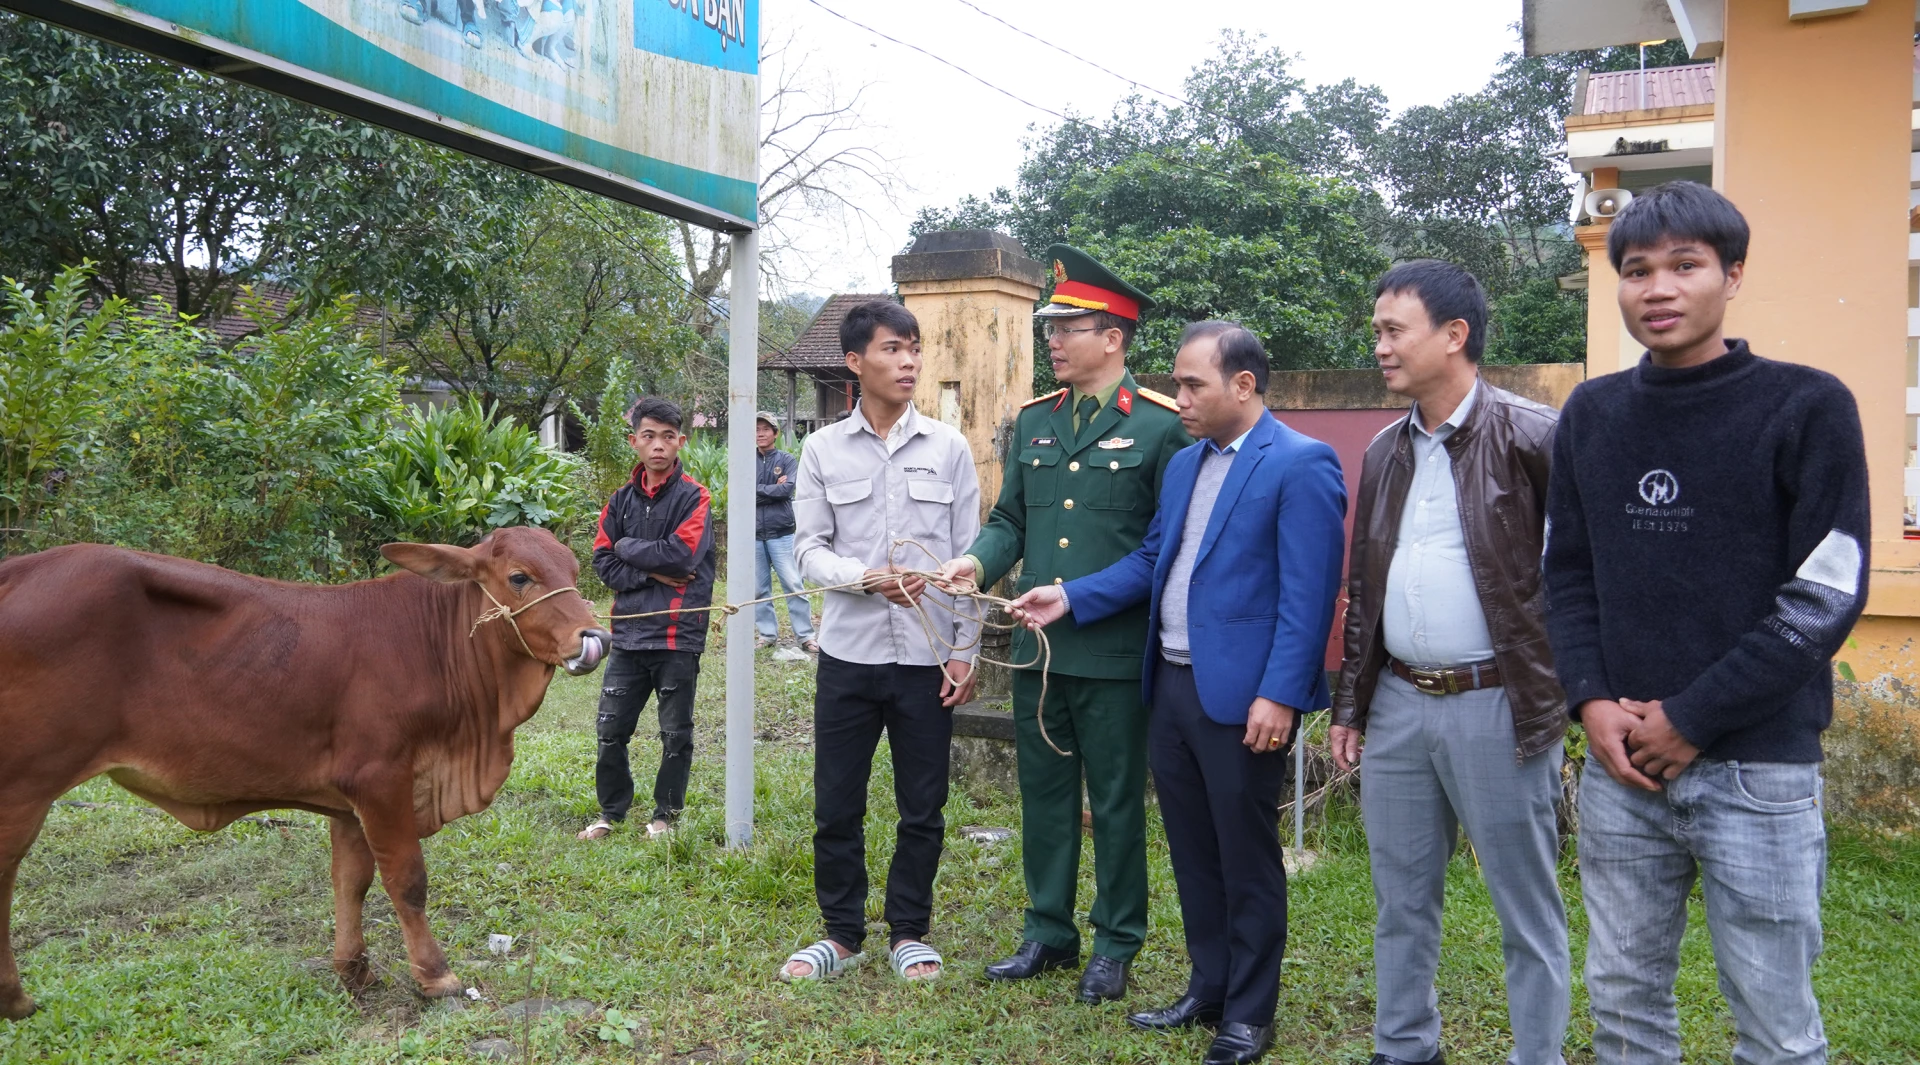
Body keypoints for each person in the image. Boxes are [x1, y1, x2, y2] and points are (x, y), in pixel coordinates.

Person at [1543, 181, 1869, 1065]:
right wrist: (1590, 703)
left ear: (1733, 276)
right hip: (1621, 771)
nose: (1658, 288)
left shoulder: (1806, 405)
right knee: (1623, 1009)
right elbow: (1567, 576)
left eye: (1685, 265)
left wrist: (1691, 718)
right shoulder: (1592, 414)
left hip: (1758, 770)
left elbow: (1825, 595)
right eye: (1637, 269)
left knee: (1775, 1024)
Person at [1010, 321, 1346, 1065]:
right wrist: (1070, 597)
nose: (1181, 397)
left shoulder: (1299, 463)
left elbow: (1309, 594)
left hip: (1244, 699)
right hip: (1172, 684)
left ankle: (1251, 1013)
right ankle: (1209, 985)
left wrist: (1282, 694)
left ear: (1244, 385)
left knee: (1245, 857)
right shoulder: (1190, 463)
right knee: (1193, 850)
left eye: (1194, 384)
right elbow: (1155, 557)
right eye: (1181, 382)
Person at [936, 245, 1191, 1004]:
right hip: (1035, 650)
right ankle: (1047, 929)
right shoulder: (1034, 421)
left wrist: (1080, 597)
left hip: (1110, 651)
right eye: (1049, 325)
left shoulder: (1161, 428)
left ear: (1113, 336)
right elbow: (1011, 517)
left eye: (1067, 326)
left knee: (1113, 801)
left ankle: (1116, 941)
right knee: (1043, 797)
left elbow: (1161, 548)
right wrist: (975, 564)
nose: (1051, 338)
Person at [1330, 260, 1569, 1065]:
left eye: (1394, 330)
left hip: (1496, 706)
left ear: (1454, 335)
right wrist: (1351, 706)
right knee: (1401, 900)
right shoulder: (1385, 451)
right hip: (1398, 704)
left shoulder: (1533, 436)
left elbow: (1579, 581)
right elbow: (1364, 588)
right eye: (1377, 331)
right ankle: (1404, 1048)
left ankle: (1537, 1054)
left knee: (1525, 909)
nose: (1381, 347)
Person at [780, 300, 982, 983]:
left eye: (914, 349)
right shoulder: (820, 449)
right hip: (849, 656)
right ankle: (840, 934)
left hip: (928, 661)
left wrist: (965, 651)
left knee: (923, 805)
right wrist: (866, 578)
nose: (908, 362)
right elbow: (808, 551)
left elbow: (969, 561)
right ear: (855, 361)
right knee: (837, 801)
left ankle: (909, 930)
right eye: (893, 349)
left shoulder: (950, 449)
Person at [578, 397, 716, 842]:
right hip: (628, 636)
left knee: (675, 733)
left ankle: (664, 816)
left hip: (678, 634)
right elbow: (602, 563)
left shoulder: (696, 497)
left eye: (668, 437)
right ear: (634, 441)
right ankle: (610, 812)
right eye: (649, 436)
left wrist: (627, 548)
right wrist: (652, 569)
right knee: (611, 730)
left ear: (682, 442)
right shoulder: (617, 502)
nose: (659, 445)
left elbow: (682, 556)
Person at [752, 411, 817, 652]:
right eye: (757, 429)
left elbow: (787, 491)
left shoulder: (787, 460)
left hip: (782, 532)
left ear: (775, 433)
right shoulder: (746, 460)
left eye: (765, 429)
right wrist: (771, 489)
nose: (760, 433)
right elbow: (741, 490)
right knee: (759, 589)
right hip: (754, 534)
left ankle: (806, 636)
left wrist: (758, 490)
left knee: (793, 584)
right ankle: (767, 635)